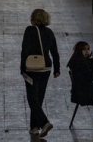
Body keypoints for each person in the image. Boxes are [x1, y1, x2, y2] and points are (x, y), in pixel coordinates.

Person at [20, 8, 59, 137]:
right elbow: (55, 52)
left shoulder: (29, 30)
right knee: (39, 97)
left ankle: (44, 122)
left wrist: (22, 68)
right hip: (46, 67)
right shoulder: (49, 32)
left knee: (32, 98)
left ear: (33, 19)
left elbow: (24, 49)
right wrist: (57, 69)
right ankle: (34, 127)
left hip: (32, 67)